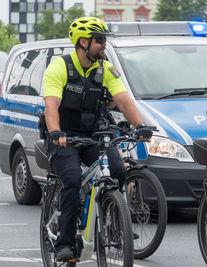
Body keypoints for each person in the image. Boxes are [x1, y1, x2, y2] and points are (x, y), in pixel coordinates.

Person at [43, 17, 153, 262]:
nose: (104, 44)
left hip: (94, 135)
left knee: (117, 170)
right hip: (63, 136)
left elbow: (123, 99)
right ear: (83, 42)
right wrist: (55, 132)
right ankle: (64, 243)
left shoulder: (105, 68)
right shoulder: (60, 67)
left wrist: (140, 125)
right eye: (100, 40)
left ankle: (115, 224)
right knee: (71, 178)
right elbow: (51, 105)